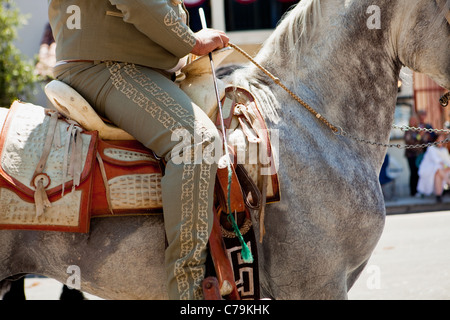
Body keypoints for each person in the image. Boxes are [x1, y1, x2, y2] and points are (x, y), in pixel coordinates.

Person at [48, 0, 229, 300]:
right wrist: (191, 41)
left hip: (122, 63)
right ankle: (189, 294)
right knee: (196, 141)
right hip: (108, 64)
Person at [404, 111, 435, 197]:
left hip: (419, 155)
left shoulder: (419, 129)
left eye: (414, 120)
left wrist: (426, 135)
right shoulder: (408, 131)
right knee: (413, 172)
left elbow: (425, 141)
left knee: (420, 172)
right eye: (412, 120)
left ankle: (420, 191)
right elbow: (409, 141)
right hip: (411, 155)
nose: (413, 122)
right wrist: (420, 136)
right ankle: (413, 192)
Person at [417, 134, 450, 202]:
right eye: (439, 139)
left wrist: (447, 167)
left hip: (440, 170)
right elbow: (436, 160)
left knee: (438, 173)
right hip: (429, 169)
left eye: (442, 140)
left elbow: (448, 161)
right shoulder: (431, 148)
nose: (441, 141)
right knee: (438, 170)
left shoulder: (444, 150)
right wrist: (445, 166)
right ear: (436, 140)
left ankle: (438, 195)